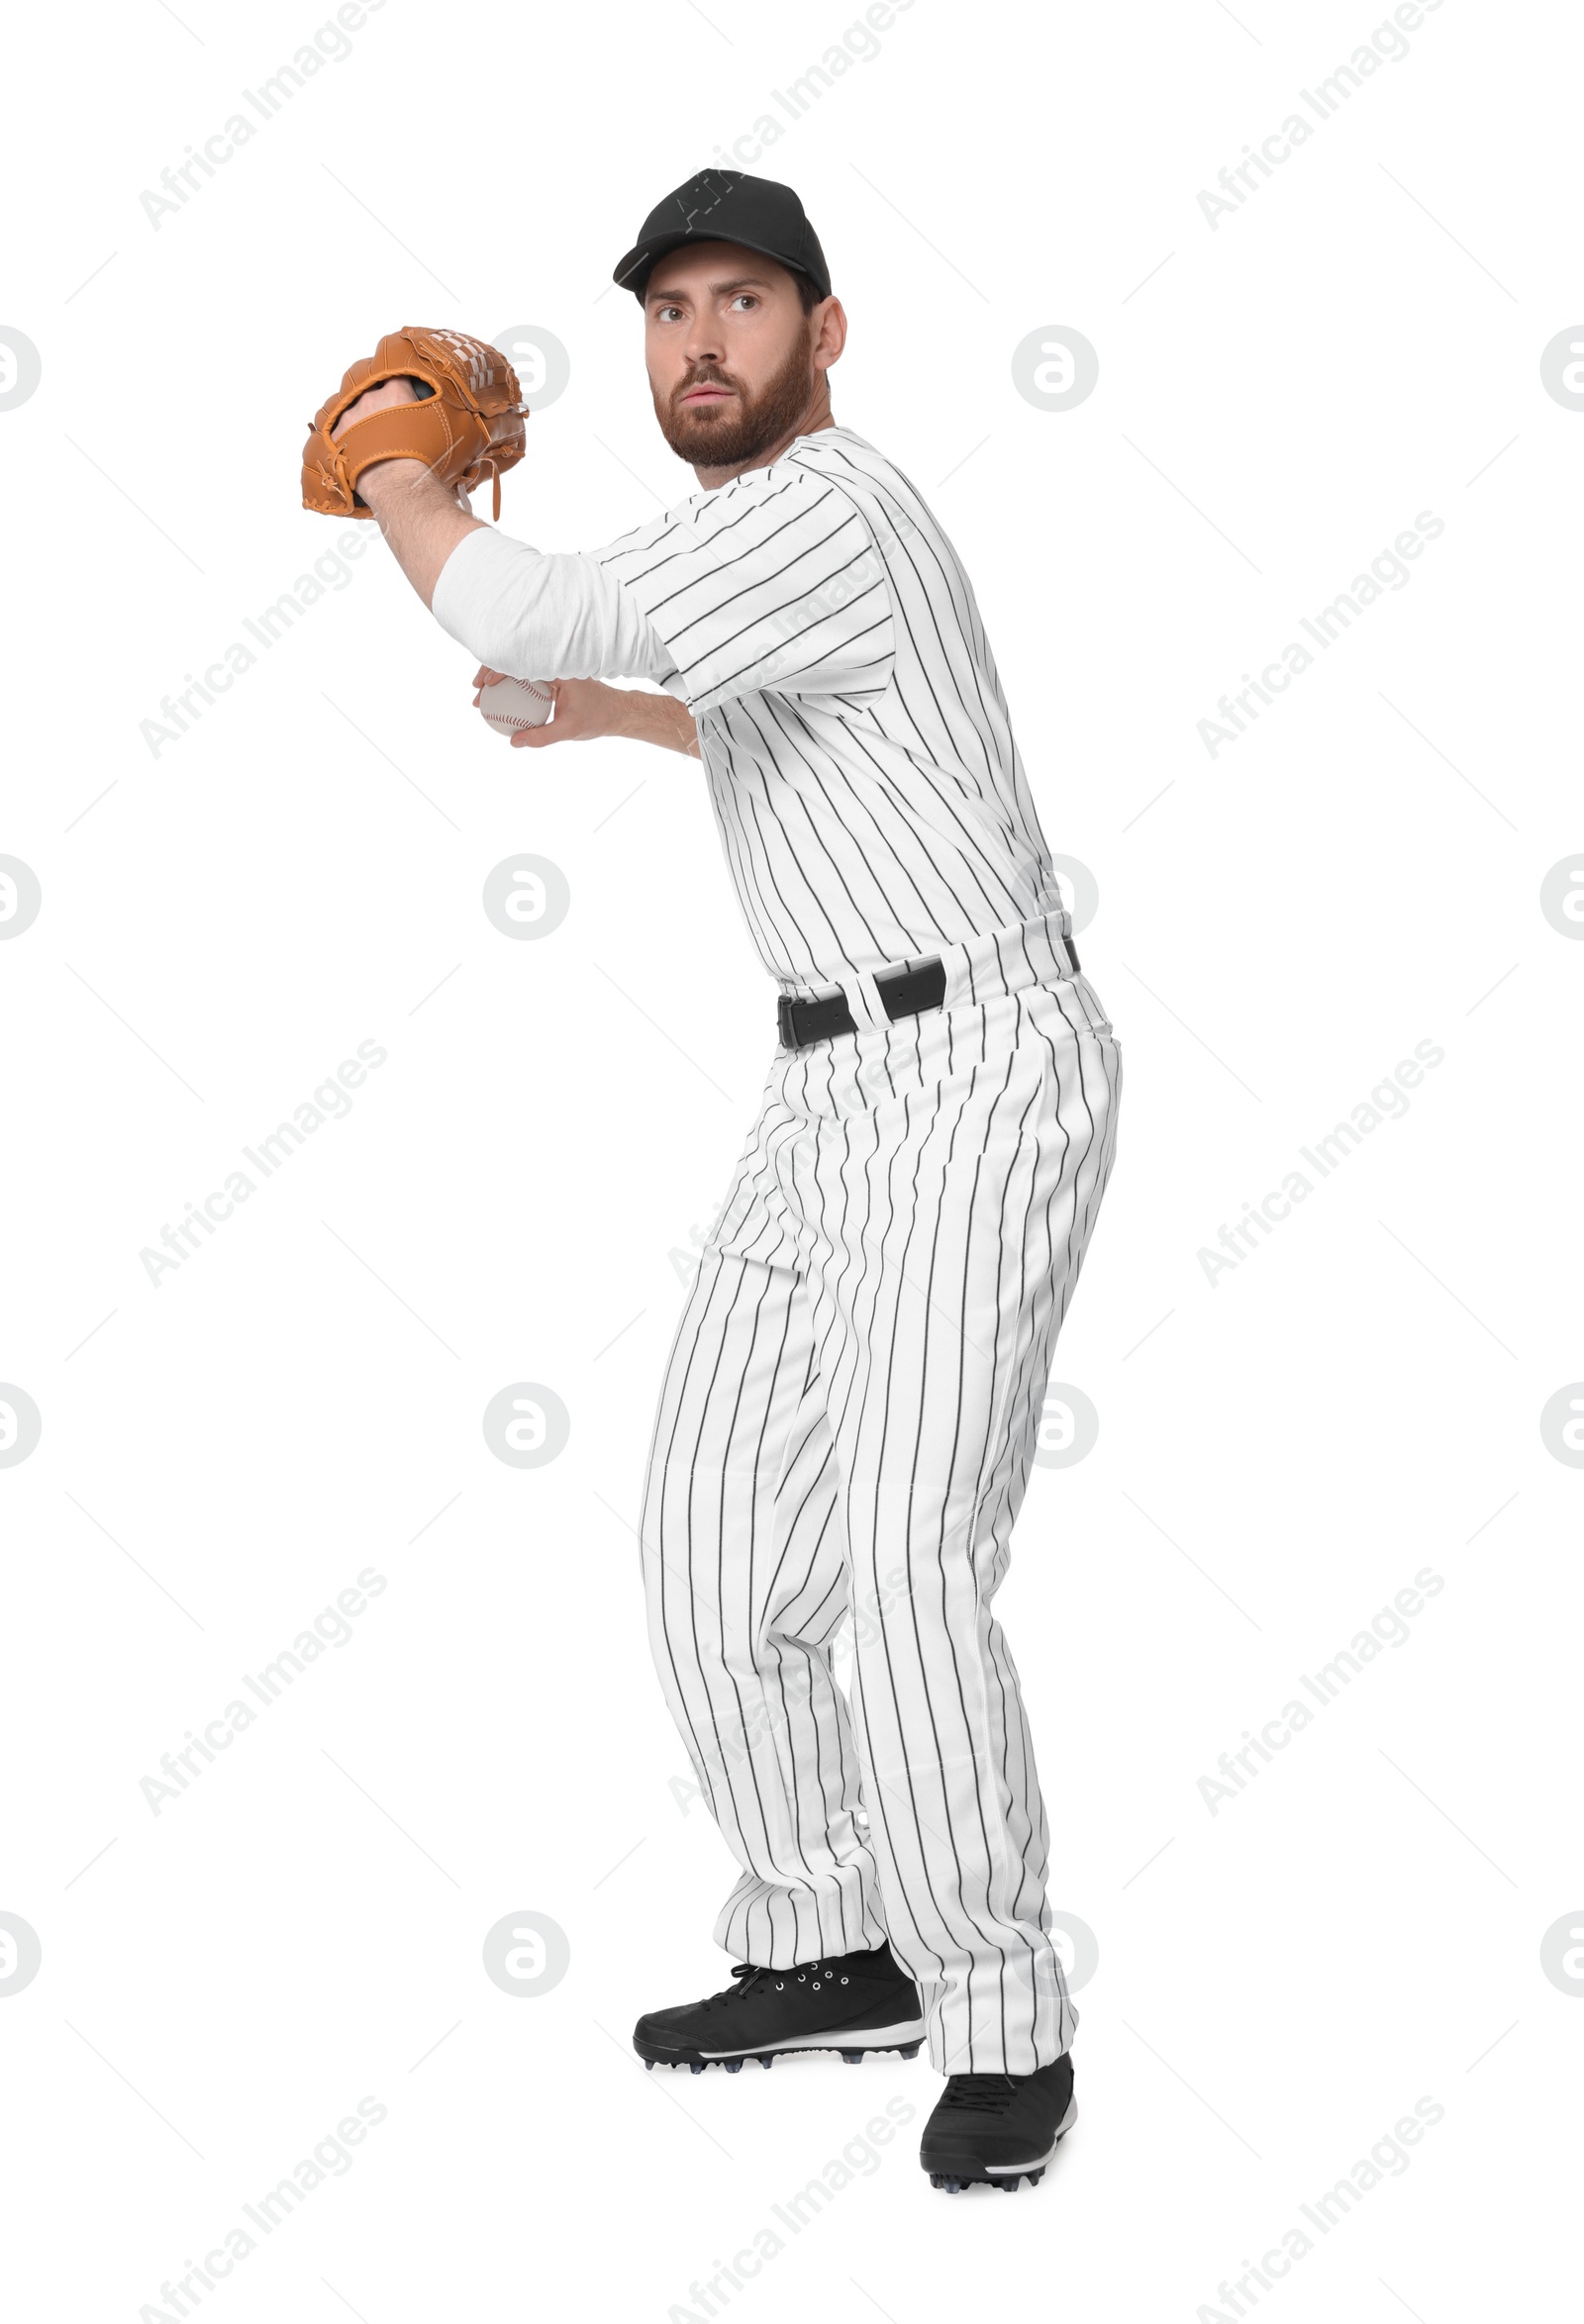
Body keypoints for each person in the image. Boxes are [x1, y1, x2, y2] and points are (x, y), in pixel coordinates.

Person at [334, 167, 1122, 2194]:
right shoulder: (754, 551)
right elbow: (808, 741)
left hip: (970, 1072)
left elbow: (517, 598)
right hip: (823, 1092)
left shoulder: (828, 504)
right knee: (703, 1535)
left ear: (821, 335)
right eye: (668, 308)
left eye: (742, 302)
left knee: (898, 1554)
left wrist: (399, 471)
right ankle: (823, 1932)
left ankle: (1000, 2008)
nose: (697, 340)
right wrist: (617, 715)